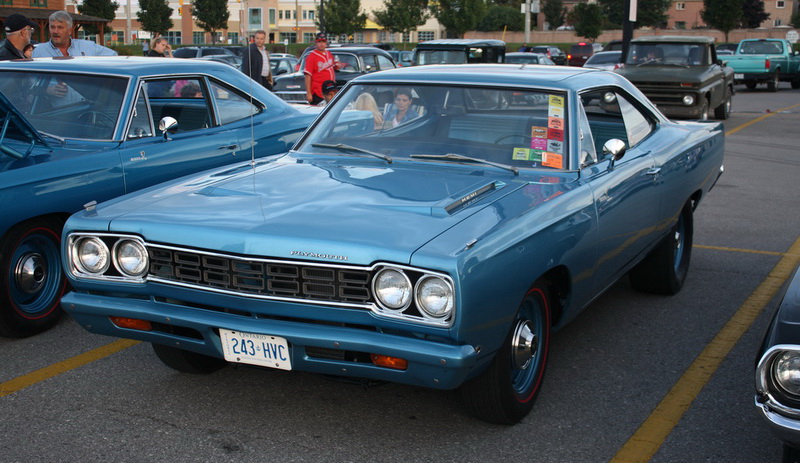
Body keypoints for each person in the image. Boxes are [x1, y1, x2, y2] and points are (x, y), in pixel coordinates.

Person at [32, 11, 117, 57]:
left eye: (60, 27)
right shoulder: (39, 52)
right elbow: (32, 82)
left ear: (70, 30)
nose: (55, 31)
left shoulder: (88, 47)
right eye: (52, 27)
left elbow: (114, 57)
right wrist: (48, 89)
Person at [304, 32, 342, 105]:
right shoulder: (312, 57)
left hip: (330, 90)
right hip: (318, 92)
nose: (321, 44)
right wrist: (309, 93)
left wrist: (337, 66)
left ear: (326, 43)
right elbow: (307, 75)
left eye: (323, 42)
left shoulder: (329, 54)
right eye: (319, 42)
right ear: (316, 43)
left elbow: (333, 67)